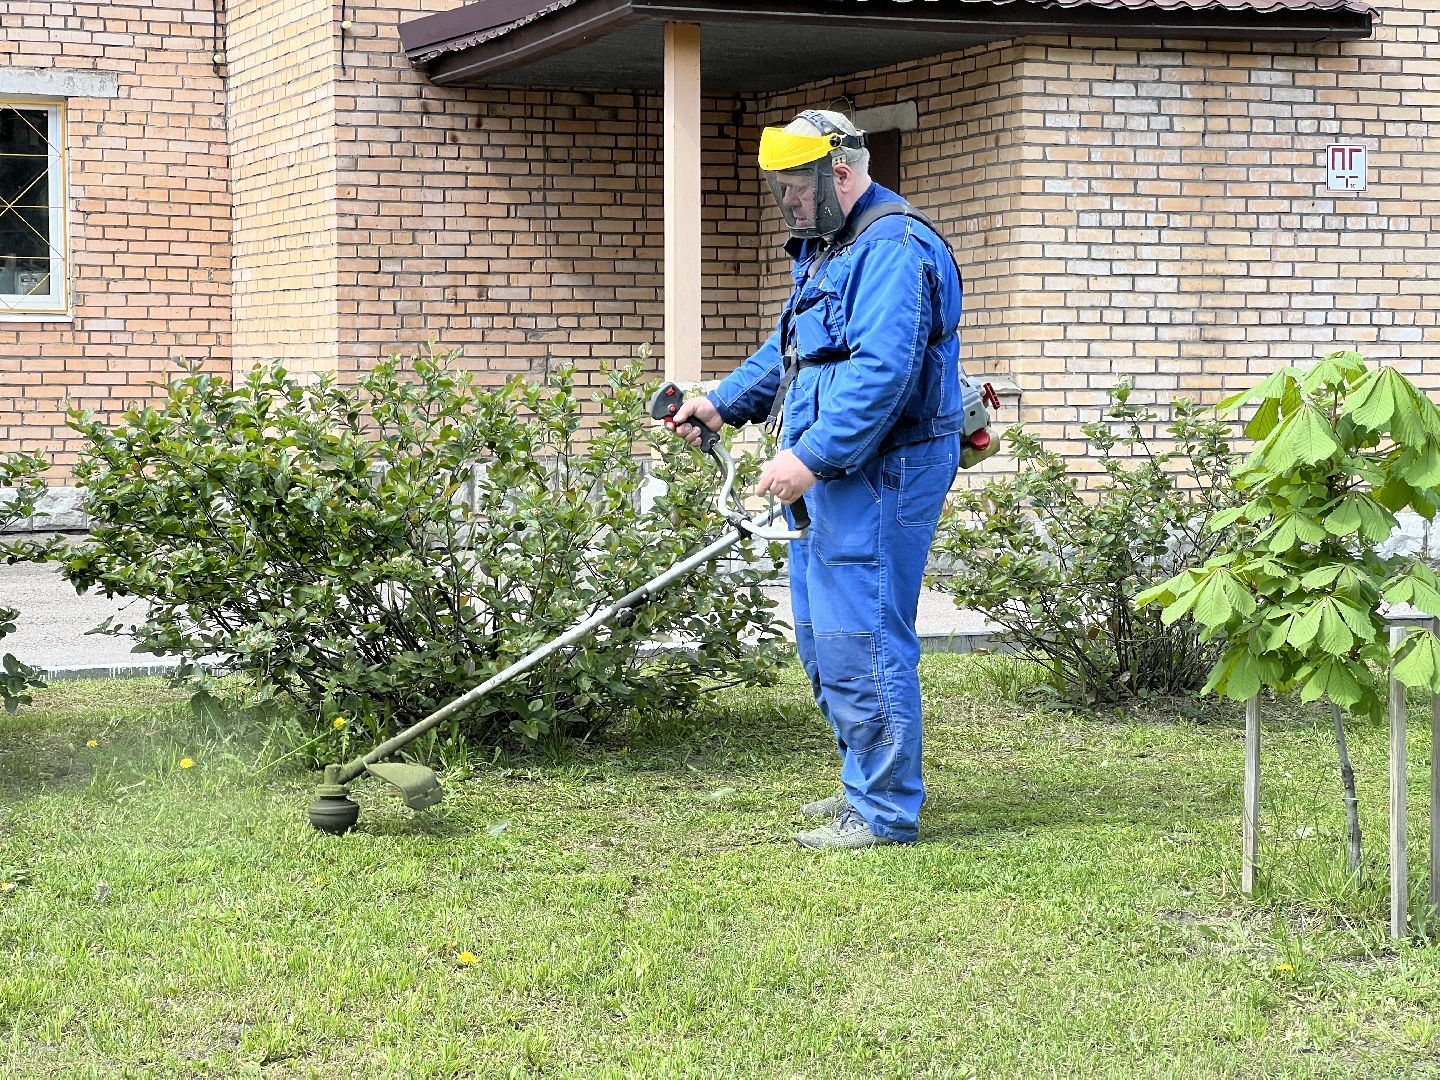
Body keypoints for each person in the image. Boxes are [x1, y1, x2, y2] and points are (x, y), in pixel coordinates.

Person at [666, 109, 966, 850]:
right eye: (781, 188)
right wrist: (722, 402)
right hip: (837, 466)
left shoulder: (892, 248)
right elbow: (794, 351)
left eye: (798, 186)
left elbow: (883, 372)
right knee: (821, 637)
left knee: (859, 635)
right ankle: (861, 780)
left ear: (839, 172)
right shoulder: (831, 248)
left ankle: (883, 811)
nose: (788, 201)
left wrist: (810, 457)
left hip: (883, 469)